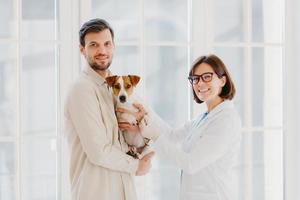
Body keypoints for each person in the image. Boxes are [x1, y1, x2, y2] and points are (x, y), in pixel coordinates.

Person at [119, 54, 242, 200]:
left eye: (207, 77)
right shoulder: (204, 118)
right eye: (195, 79)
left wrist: (153, 135)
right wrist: (145, 113)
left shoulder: (225, 120)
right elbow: (172, 136)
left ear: (222, 80)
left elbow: (191, 163)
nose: (200, 84)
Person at [64, 18, 154, 200]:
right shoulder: (82, 90)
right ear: (82, 49)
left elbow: (148, 130)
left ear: (114, 46)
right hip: (95, 193)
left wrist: (141, 133)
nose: (102, 51)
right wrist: (136, 166)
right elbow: (98, 151)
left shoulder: (121, 87)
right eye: (94, 45)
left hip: (124, 190)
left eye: (107, 44)